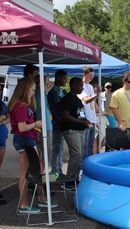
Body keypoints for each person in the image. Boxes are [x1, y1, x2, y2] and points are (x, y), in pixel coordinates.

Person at [8, 77, 57, 214]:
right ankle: (25, 204)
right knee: (32, 171)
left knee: (33, 171)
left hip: (25, 140)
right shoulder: (22, 106)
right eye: (32, 89)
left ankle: (38, 199)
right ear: (25, 89)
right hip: (25, 140)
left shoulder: (19, 105)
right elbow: (22, 127)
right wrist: (36, 124)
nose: (33, 92)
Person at [60, 77, 91, 190]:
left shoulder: (77, 99)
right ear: (73, 86)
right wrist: (81, 122)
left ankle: (74, 179)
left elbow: (80, 114)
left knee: (80, 155)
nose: (82, 88)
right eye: (80, 86)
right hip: (71, 130)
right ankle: (68, 181)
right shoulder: (67, 99)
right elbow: (66, 116)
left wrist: (86, 121)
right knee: (76, 154)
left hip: (80, 129)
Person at [78, 66, 101, 160]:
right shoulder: (81, 86)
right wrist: (96, 94)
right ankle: (84, 164)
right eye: (89, 75)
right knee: (86, 144)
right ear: (84, 74)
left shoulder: (90, 86)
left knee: (91, 143)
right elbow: (86, 100)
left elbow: (93, 102)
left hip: (92, 118)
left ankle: (90, 163)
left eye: (92, 75)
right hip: (86, 119)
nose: (91, 77)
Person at [48, 69, 68, 174]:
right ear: (58, 78)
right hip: (56, 124)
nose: (66, 81)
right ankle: (55, 170)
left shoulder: (60, 91)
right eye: (64, 78)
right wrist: (58, 121)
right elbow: (51, 108)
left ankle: (59, 169)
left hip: (61, 122)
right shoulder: (53, 91)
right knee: (56, 147)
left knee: (60, 147)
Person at [34, 75, 53, 172]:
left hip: (47, 127)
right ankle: (40, 178)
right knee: (43, 155)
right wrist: (44, 78)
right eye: (46, 84)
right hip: (43, 128)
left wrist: (47, 83)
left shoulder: (44, 94)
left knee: (46, 155)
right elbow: (45, 78)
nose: (48, 85)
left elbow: (52, 84)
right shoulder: (38, 94)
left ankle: (41, 176)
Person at [0, 92, 10, 205]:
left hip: (2, 140)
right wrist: (2, 119)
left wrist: (2, 120)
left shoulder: (2, 104)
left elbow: (9, 118)